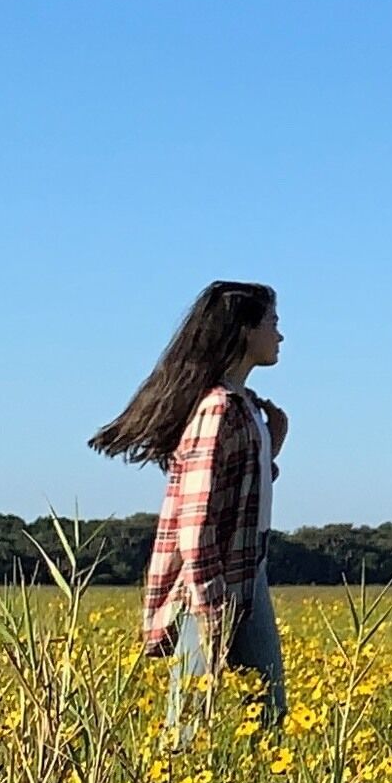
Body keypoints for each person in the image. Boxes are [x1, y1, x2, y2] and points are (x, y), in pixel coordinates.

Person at [90, 279, 289, 735]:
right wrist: (209, 602)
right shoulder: (218, 409)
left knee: (269, 711)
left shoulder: (249, 408)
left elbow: (235, 497)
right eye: (273, 323)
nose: (280, 336)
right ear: (245, 331)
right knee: (192, 721)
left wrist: (268, 450)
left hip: (246, 573)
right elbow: (195, 524)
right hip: (212, 583)